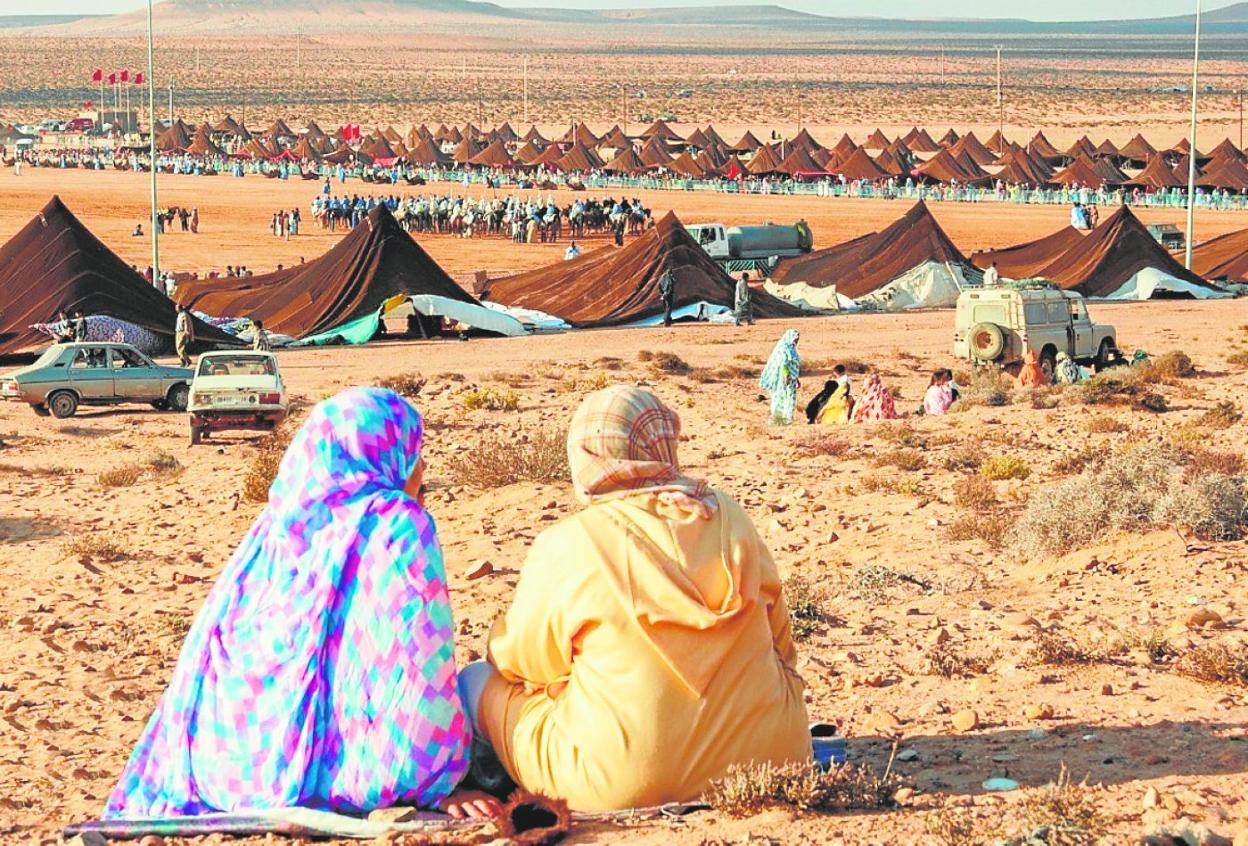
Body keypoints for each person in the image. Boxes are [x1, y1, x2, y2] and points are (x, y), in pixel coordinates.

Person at [103, 389, 496, 821]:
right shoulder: (395, 523)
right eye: (415, 452)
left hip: (226, 766)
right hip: (342, 776)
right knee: (481, 688)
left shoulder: (278, 524)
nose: (421, 467)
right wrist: (435, 784)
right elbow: (416, 668)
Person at [460, 386, 809, 813]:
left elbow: (521, 662)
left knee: (475, 681)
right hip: (774, 760)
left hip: (615, 782)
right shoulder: (728, 514)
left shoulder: (573, 540)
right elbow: (782, 644)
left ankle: (486, 780)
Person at [759, 329, 801, 425]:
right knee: (781, 397)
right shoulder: (784, 348)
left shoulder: (791, 348)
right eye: (795, 338)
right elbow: (784, 363)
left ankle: (787, 418)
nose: (796, 341)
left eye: (797, 339)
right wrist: (786, 376)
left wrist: (796, 378)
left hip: (792, 378)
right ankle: (778, 418)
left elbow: (793, 364)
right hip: (784, 378)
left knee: (790, 398)